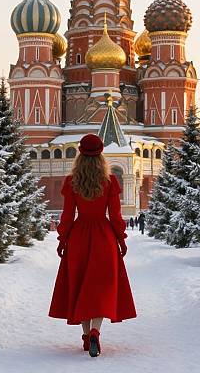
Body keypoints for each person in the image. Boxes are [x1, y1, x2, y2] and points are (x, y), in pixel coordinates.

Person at [48, 134, 136, 357]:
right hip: (104, 238)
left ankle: (87, 337)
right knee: (100, 287)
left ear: (80, 154)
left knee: (80, 286)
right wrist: (121, 239)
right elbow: (116, 216)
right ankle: (96, 331)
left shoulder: (72, 182)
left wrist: (62, 239)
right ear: (101, 155)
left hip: (79, 237)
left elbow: (67, 216)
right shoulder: (109, 182)